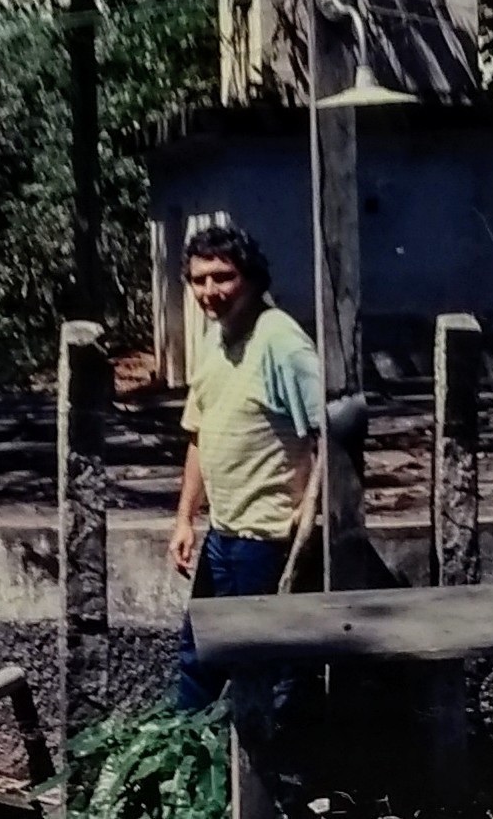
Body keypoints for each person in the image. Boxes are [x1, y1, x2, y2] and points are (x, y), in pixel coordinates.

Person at [169, 224, 322, 712]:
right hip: (223, 533)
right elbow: (199, 432)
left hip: (266, 539)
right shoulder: (214, 338)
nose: (209, 291)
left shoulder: (280, 340)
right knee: (199, 655)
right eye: (199, 280)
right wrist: (185, 519)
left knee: (263, 669)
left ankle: (267, 762)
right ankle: (186, 751)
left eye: (223, 277)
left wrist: (309, 509)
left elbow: (332, 431)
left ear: (251, 278)